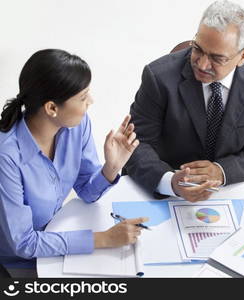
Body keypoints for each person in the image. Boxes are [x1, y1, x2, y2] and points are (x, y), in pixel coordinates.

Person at [0, 49, 146, 277]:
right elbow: (24, 243)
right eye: (82, 97)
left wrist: (111, 167)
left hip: (57, 238)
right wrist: (103, 239)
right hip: (19, 262)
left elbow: (87, 191)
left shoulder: (76, 126)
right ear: (52, 108)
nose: (91, 101)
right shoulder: (7, 157)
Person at [125, 0, 244, 202]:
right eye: (197, 49)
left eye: (217, 58)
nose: (201, 64)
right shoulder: (158, 77)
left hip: (233, 186)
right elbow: (137, 144)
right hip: (169, 187)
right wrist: (170, 182)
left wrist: (221, 171)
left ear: (243, 56)